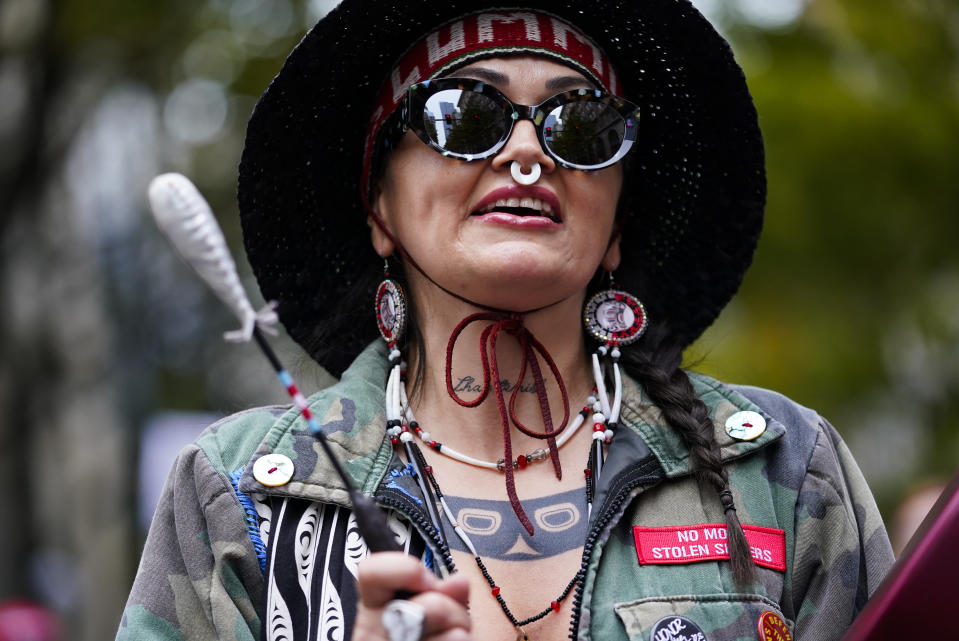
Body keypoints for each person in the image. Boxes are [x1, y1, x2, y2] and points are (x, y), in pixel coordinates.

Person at [117, 1, 895, 640]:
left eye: (580, 126)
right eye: (466, 115)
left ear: (616, 225)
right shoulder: (239, 495)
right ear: (379, 208)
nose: (527, 149)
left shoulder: (783, 473)